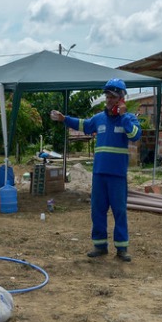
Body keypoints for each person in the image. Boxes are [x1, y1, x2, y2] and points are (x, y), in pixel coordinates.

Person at [50, 78, 141, 261]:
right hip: (99, 174)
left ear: (121, 99)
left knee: (119, 211)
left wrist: (123, 117)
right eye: (107, 96)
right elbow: (83, 124)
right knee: (97, 210)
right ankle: (100, 246)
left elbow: (135, 135)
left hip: (117, 175)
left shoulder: (129, 119)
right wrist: (64, 119)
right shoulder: (99, 119)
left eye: (113, 97)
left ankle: (122, 248)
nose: (109, 100)